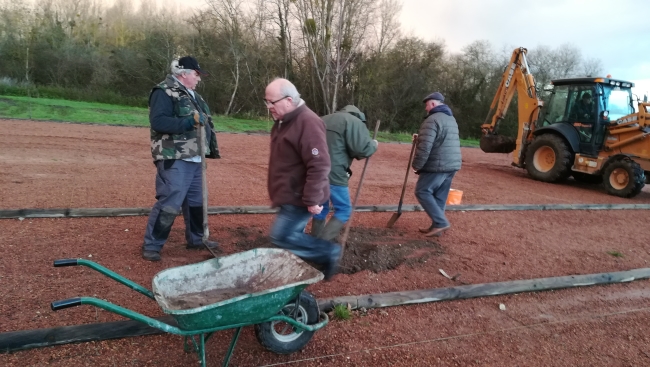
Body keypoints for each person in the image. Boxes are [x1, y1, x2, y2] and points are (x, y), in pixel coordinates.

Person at [141, 56, 220, 261]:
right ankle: (152, 245)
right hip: (174, 156)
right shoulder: (163, 91)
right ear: (183, 73)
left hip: (194, 158)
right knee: (170, 201)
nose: (199, 78)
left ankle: (197, 238)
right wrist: (188, 122)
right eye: (196, 74)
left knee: (196, 203)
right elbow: (158, 121)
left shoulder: (194, 95)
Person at [265, 78, 341, 280]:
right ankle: (293, 270)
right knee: (292, 235)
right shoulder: (285, 121)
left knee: (281, 236)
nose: (268, 106)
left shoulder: (308, 122)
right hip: (289, 192)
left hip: (300, 195)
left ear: (288, 100)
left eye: (272, 102)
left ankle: (328, 252)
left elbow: (320, 163)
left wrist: (313, 199)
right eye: (267, 101)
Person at [311, 105, 378, 241]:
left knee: (320, 208)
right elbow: (361, 149)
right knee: (344, 209)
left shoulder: (322, 119)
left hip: (314, 170)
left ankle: (314, 239)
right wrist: (373, 145)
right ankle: (321, 245)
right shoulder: (354, 122)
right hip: (334, 172)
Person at [412, 92, 461, 237]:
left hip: (437, 164)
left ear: (433, 104)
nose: (426, 109)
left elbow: (425, 146)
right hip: (452, 164)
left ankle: (441, 222)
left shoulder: (432, 120)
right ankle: (436, 227)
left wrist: (417, 165)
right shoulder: (451, 119)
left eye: (427, 105)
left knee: (422, 191)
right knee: (440, 196)